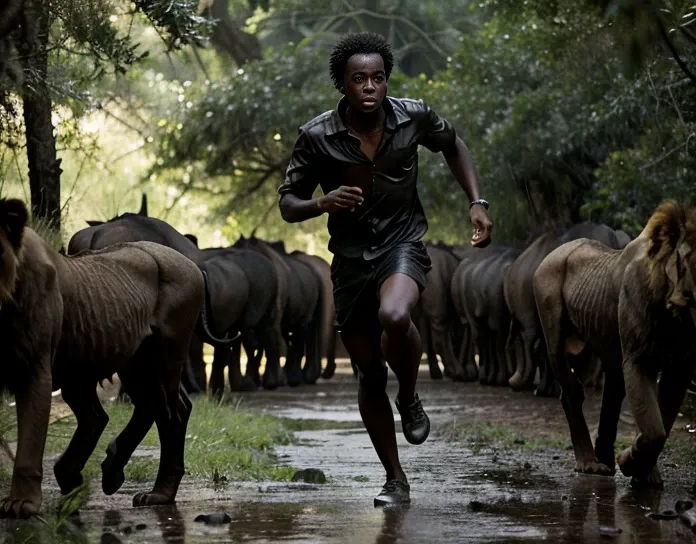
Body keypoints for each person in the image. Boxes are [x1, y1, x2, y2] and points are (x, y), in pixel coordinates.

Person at [277, 32, 493, 506]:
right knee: (370, 375)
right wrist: (322, 201)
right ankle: (395, 478)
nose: (370, 86)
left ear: (386, 80)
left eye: (377, 77)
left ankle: (410, 396)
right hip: (351, 260)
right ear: (343, 84)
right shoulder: (317, 136)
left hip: (402, 244)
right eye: (359, 79)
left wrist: (475, 202)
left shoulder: (413, 115)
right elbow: (288, 205)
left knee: (396, 316)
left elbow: (454, 144)